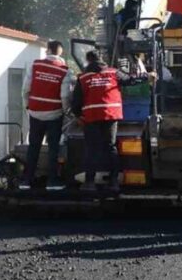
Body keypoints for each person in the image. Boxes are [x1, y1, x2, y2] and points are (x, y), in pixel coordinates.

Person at [72, 51, 153, 193]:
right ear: (101, 59)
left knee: (91, 149)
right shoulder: (114, 73)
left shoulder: (83, 78)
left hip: (91, 117)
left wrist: (78, 116)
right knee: (111, 147)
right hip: (110, 115)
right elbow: (131, 80)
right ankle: (114, 182)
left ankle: (89, 183)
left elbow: (76, 102)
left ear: (88, 61)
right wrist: (148, 76)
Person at [21, 41, 75, 191]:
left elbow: (25, 89)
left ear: (49, 50)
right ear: (60, 52)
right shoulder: (65, 71)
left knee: (33, 147)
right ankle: (52, 181)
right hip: (54, 114)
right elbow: (65, 96)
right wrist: (66, 110)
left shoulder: (35, 65)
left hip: (35, 112)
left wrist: (27, 105)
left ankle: (26, 181)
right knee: (53, 149)